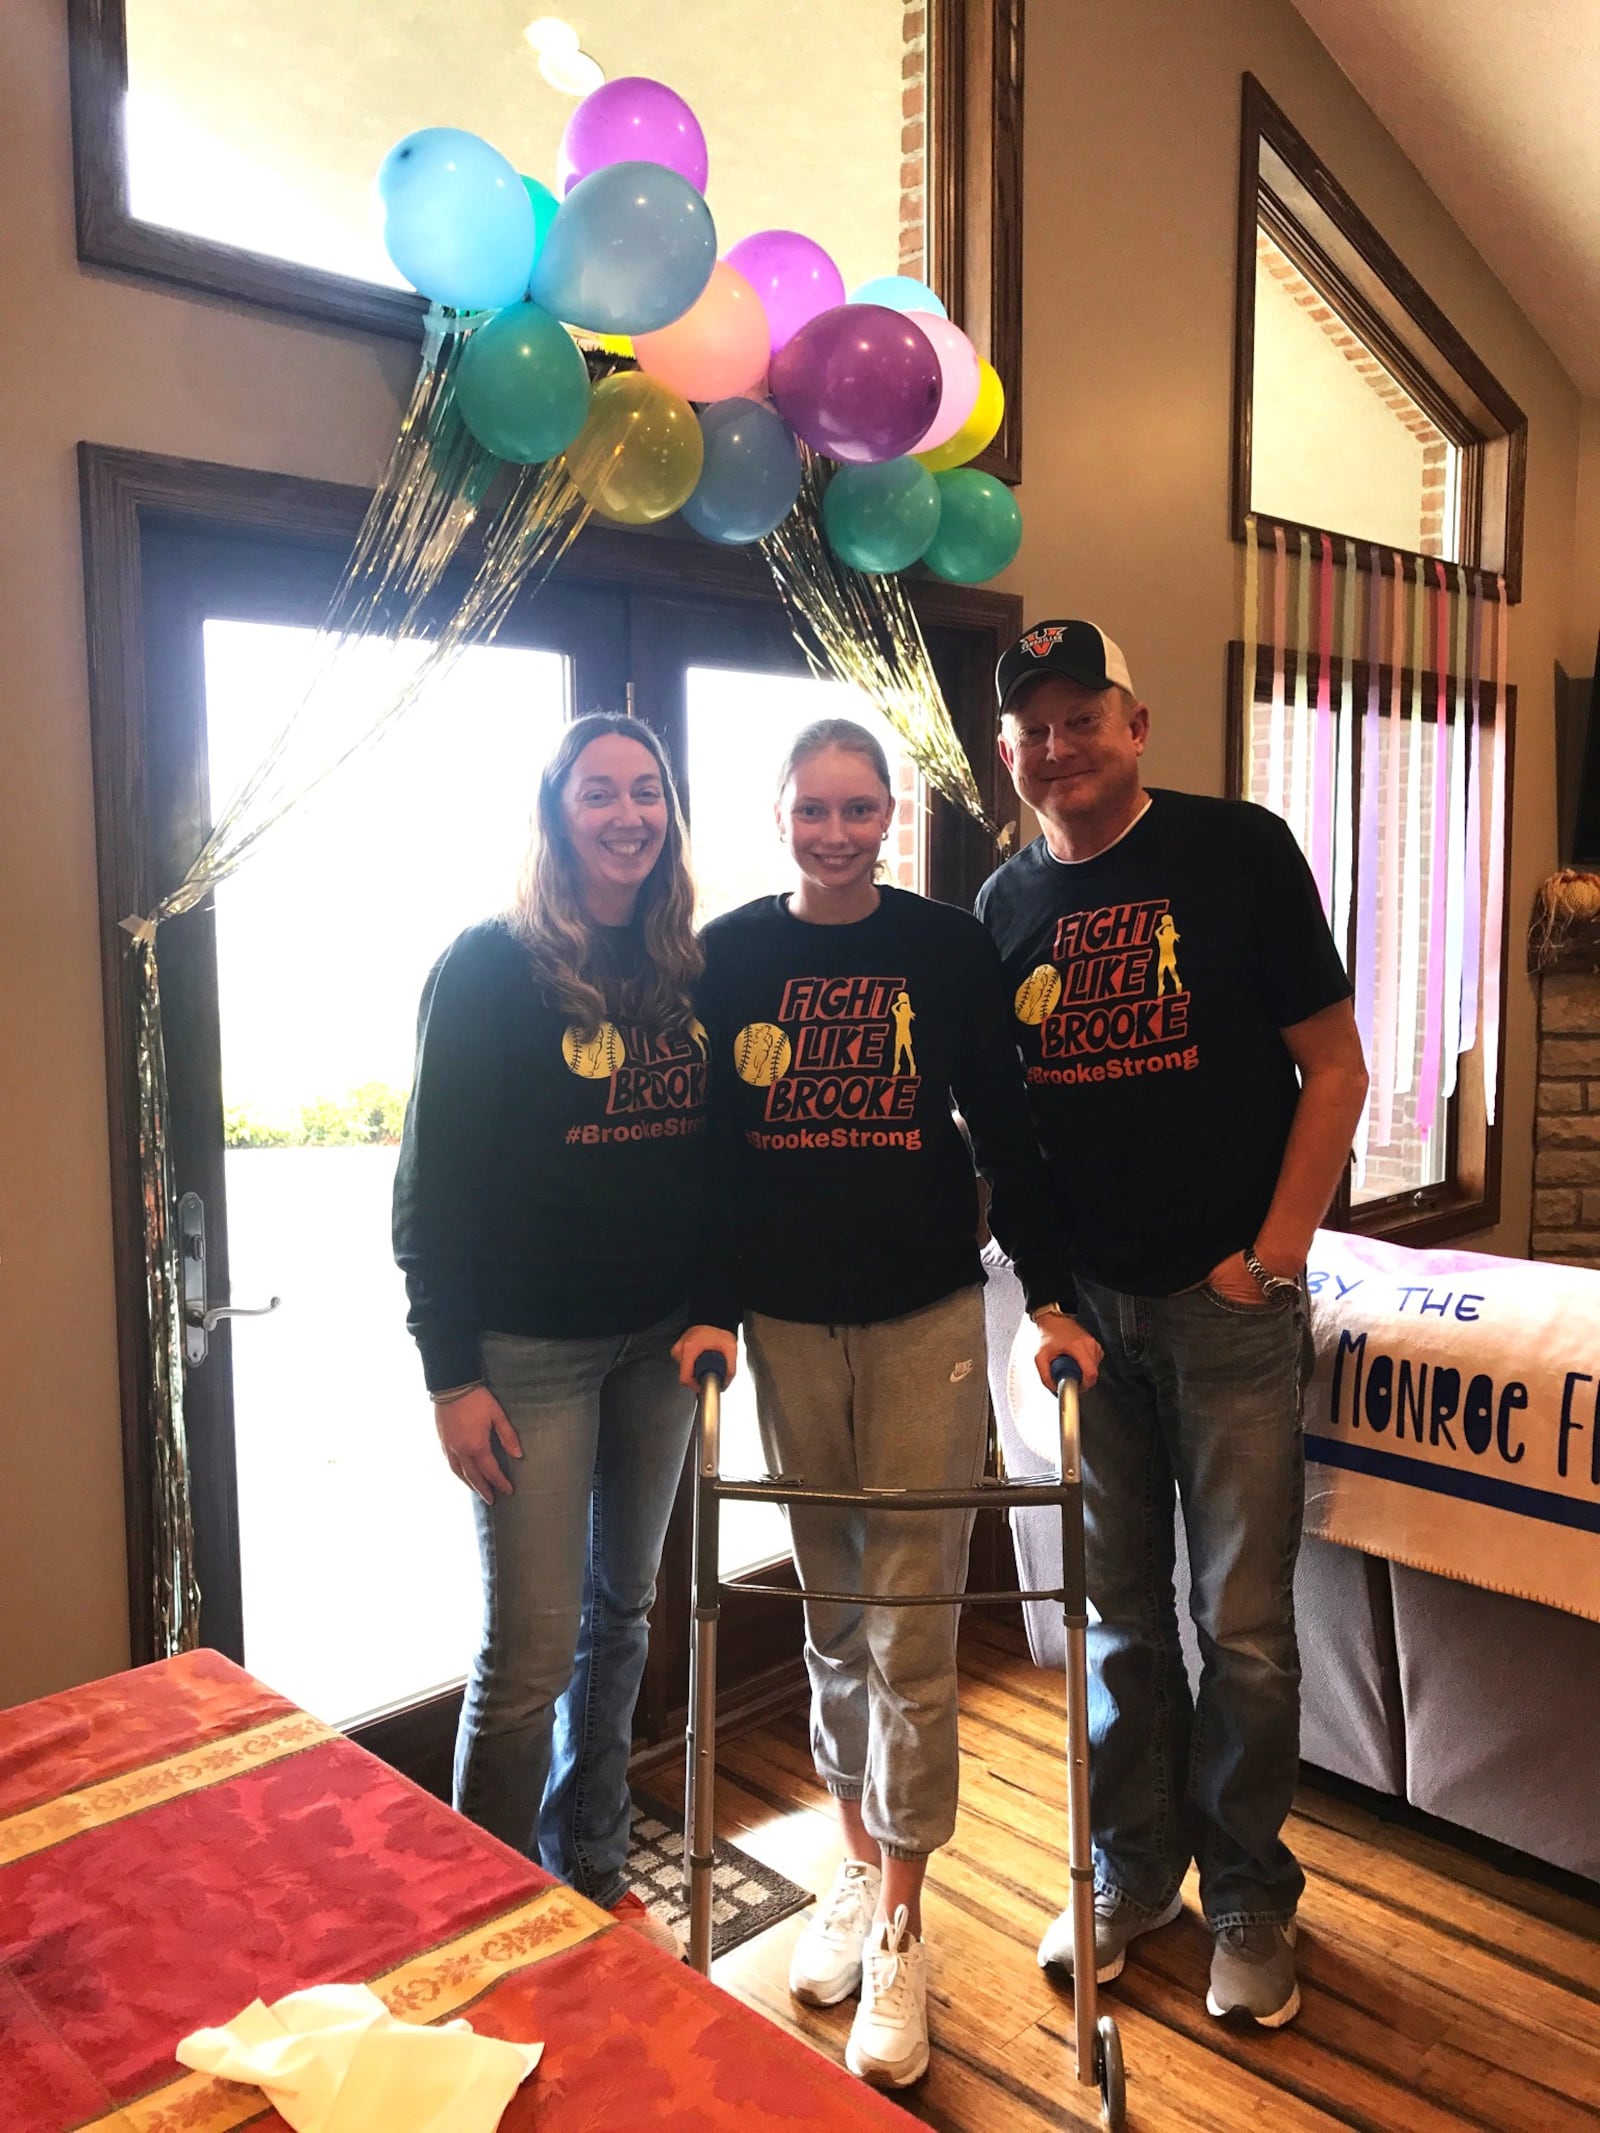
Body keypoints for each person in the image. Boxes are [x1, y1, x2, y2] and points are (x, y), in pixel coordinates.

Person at [674, 717, 1096, 2089]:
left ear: (892, 817)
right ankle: (853, 1869)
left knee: (912, 1631)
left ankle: (908, 1923)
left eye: (862, 809)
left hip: (922, 1326)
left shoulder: (941, 949)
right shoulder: (729, 954)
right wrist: (711, 1307)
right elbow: (709, 1157)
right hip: (790, 1332)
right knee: (832, 1616)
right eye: (816, 809)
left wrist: (1044, 1292)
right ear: (780, 814)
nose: (839, 832)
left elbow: (1013, 1125)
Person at [977, 620, 1369, 2028]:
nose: (1054, 745)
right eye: (1030, 726)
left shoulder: (1237, 850)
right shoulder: (1001, 904)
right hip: (1093, 1322)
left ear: (1136, 725)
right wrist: (1051, 1298)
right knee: (1120, 1624)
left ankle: (1252, 1894)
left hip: (1227, 1310)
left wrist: (1269, 1260)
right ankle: (1128, 1874)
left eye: (1081, 716)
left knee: (1246, 1625)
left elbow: (1336, 1068)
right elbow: (1013, 1140)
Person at [393, 712, 707, 1959]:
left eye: (647, 791)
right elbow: (431, 1188)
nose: (628, 814)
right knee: (523, 1655)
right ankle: (484, 1913)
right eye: (599, 793)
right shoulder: (488, 966)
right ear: (555, 812)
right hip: (526, 1355)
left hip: (658, 1350)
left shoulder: (689, 962)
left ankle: (588, 1866)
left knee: (620, 1615)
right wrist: (449, 1374)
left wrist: (710, 1307)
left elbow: (716, 1161)